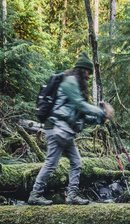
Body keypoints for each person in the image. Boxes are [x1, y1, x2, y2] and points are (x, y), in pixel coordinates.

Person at [28, 52, 114, 206]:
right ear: (82, 70)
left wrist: (100, 118)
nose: (89, 76)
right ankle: (35, 194)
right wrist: (102, 111)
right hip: (57, 128)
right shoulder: (70, 82)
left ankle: (72, 195)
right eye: (88, 72)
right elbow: (81, 106)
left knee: (76, 162)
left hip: (64, 130)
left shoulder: (75, 86)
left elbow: (81, 115)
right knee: (51, 163)